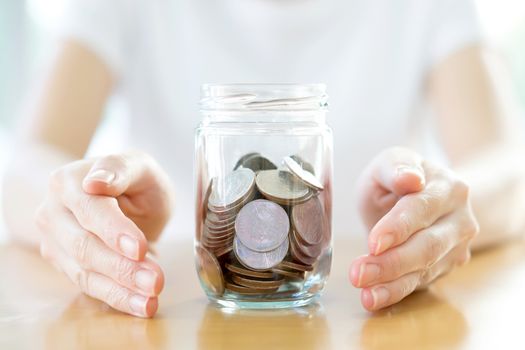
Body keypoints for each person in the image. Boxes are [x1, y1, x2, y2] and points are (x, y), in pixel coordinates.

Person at [2, 0, 525, 318]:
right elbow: (21, 165)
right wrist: (86, 201)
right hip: (183, 306)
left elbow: (507, 166)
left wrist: (433, 202)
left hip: (357, 313)